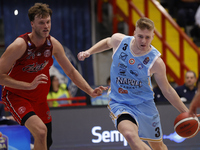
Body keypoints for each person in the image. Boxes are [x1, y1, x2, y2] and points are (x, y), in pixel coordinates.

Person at [0, 3, 107, 150]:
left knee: (47, 141)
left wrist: (90, 91)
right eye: (41, 22)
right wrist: (28, 85)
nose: (46, 26)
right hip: (17, 96)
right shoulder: (20, 45)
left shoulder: (53, 44)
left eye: (48, 22)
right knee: (41, 132)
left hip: (39, 99)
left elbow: (71, 72)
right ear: (32, 24)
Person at [78, 17, 189, 150]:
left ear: (153, 36)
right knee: (130, 135)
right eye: (140, 36)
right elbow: (107, 43)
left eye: (147, 37)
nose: (143, 40)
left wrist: (187, 112)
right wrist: (89, 52)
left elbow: (167, 90)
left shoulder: (156, 62)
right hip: (120, 102)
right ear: (134, 33)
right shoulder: (120, 41)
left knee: (158, 146)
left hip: (144, 104)